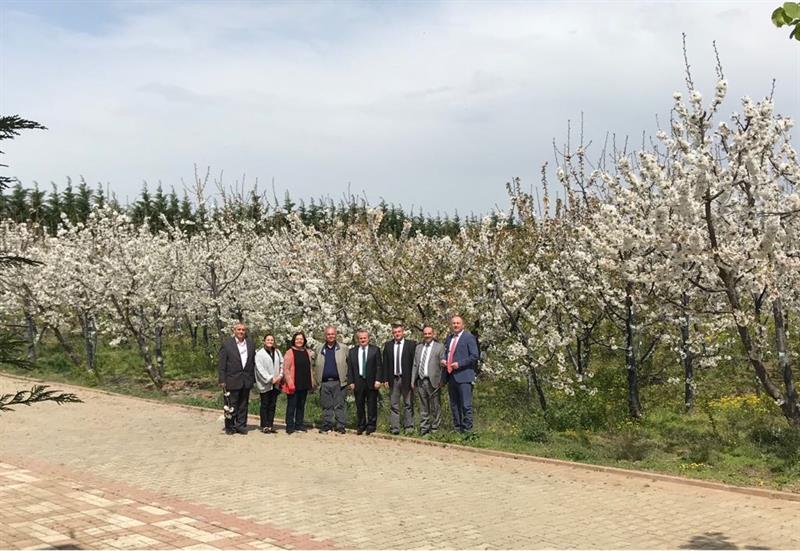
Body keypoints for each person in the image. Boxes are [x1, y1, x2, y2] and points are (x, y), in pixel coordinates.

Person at [441, 315, 479, 434]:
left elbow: (474, 356)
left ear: (463, 325)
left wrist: (460, 364)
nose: (455, 325)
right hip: (451, 376)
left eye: (458, 323)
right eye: (454, 323)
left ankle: (467, 430)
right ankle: (457, 428)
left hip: (464, 376)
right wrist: (444, 359)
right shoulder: (449, 338)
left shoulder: (469, 337)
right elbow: (447, 353)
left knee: (466, 405)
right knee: (454, 405)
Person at [218, 322, 256, 435]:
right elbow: (222, 364)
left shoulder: (250, 344)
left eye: (243, 330)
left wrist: (253, 378)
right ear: (234, 331)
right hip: (231, 379)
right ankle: (230, 426)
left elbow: (252, 362)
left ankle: (241, 425)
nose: (241, 332)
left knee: (243, 404)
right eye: (239, 329)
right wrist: (222, 379)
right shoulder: (227, 344)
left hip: (246, 379)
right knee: (231, 404)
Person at [381, 322, 417, 435]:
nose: (397, 334)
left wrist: (414, 380)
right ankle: (395, 428)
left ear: (403, 332)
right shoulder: (388, 345)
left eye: (399, 331)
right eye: (395, 332)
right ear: (392, 333)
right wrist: (385, 379)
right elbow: (385, 364)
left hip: (407, 379)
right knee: (394, 405)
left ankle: (409, 427)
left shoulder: (411, 345)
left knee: (408, 404)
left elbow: (414, 363)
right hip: (393, 379)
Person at [313, 326, 349, 434]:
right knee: (326, 406)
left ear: (336, 334)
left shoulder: (343, 348)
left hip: (339, 382)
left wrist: (348, 379)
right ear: (325, 335)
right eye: (328, 334)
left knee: (339, 405)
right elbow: (314, 362)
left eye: (332, 334)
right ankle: (327, 425)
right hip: (324, 382)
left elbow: (349, 363)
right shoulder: (319, 348)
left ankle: (340, 425)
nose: (331, 336)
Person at [411, 325, 446, 436]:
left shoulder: (439, 347)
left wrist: (442, 380)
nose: (427, 336)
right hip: (421, 380)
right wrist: (413, 380)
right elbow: (415, 364)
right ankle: (424, 429)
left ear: (433, 334)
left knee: (435, 406)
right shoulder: (418, 347)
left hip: (434, 381)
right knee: (423, 406)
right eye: (425, 334)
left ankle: (435, 429)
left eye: (429, 333)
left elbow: (443, 364)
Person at [347, 329, 382, 435]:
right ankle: (361, 425)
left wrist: (378, 380)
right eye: (361, 338)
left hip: (371, 381)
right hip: (358, 381)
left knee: (372, 405)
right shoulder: (352, 352)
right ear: (358, 339)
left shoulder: (375, 350)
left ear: (368, 338)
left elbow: (379, 366)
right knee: (359, 404)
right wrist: (351, 381)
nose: (363, 340)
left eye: (364, 338)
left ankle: (371, 426)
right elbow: (350, 368)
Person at [281, 331, 315, 434]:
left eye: (301, 339)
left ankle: (299, 424)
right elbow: (286, 369)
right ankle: (290, 426)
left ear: (304, 341)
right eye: (297, 339)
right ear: (294, 341)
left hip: (304, 382)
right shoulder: (289, 352)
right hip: (293, 383)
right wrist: (289, 382)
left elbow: (309, 367)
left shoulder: (307, 352)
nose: (299, 341)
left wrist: (312, 381)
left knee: (301, 405)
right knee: (292, 406)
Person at [254, 333, 283, 434]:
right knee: (265, 404)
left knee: (272, 404)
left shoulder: (277, 352)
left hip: (276, 382)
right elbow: (259, 368)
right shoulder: (259, 354)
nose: (270, 342)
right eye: (268, 340)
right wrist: (270, 378)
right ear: (264, 341)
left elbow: (282, 364)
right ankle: (264, 425)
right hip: (265, 383)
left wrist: (280, 376)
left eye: (272, 340)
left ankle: (270, 425)